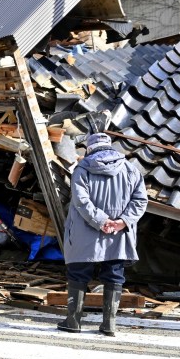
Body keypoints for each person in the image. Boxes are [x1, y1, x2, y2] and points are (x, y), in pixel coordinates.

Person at [58, 132, 148, 337]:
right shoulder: (131, 170)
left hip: (84, 233)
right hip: (118, 234)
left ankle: (73, 321)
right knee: (114, 275)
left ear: (89, 149)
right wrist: (122, 221)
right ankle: (109, 324)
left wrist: (101, 221)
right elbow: (141, 201)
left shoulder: (82, 169)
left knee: (78, 273)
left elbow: (81, 201)